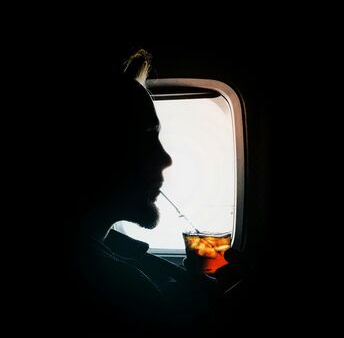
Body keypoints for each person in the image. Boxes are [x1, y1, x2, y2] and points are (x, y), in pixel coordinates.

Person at [59, 48, 254, 336]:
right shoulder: (121, 291)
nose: (166, 159)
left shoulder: (117, 252)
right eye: (147, 136)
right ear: (94, 151)